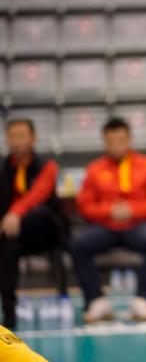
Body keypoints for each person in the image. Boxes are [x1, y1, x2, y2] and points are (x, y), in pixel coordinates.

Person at [69, 117, 146, 323]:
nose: (116, 146)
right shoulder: (94, 169)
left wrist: (132, 210)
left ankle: (143, 299)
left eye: (121, 140)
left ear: (129, 139)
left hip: (136, 225)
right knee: (78, 244)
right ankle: (96, 300)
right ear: (104, 141)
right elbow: (84, 205)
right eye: (111, 141)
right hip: (105, 227)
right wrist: (109, 211)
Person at [0, 119, 65, 329]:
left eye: (21, 135)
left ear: (33, 138)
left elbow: (39, 194)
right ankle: (9, 312)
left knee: (38, 212)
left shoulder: (48, 166)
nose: (17, 141)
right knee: (8, 244)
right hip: (11, 235)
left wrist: (15, 215)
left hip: (45, 232)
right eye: (12, 136)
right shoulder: (2, 168)